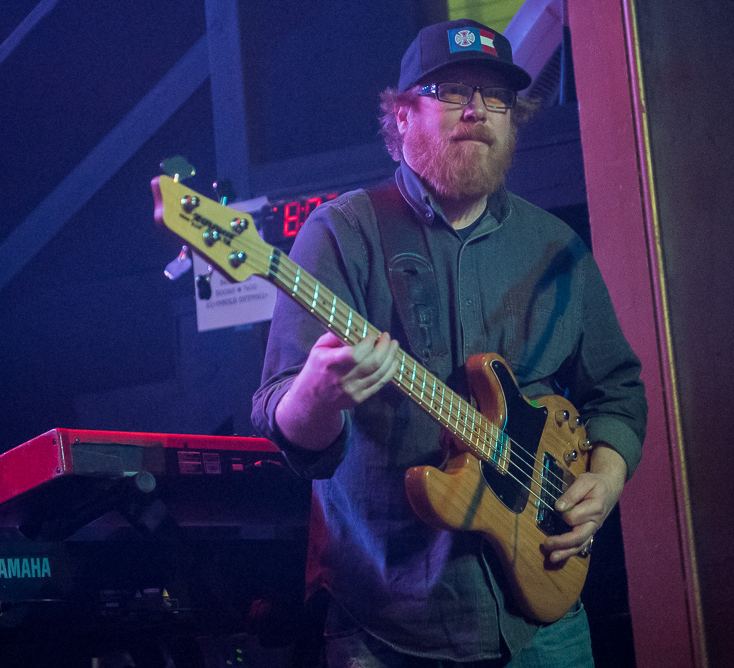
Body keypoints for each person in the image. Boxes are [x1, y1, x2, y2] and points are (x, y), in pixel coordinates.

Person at [252, 18, 647, 667]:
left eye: (496, 96)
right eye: (452, 91)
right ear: (402, 116)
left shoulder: (556, 247)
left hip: (545, 624)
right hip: (387, 624)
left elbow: (619, 390)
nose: (477, 110)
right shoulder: (341, 233)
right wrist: (318, 394)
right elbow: (285, 418)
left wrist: (603, 481)